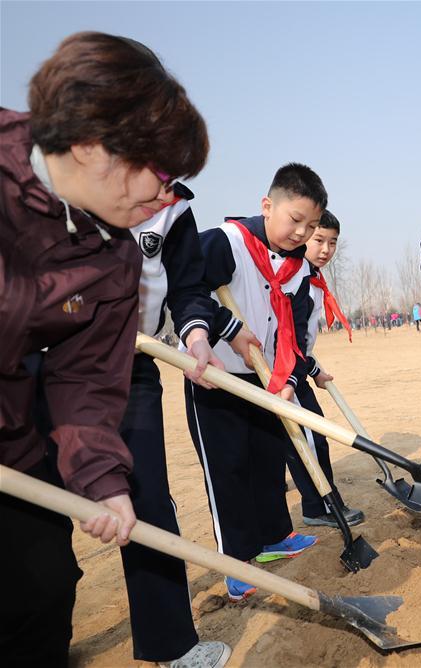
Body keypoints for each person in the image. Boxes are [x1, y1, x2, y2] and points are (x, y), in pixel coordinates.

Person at [0, 32, 211, 666]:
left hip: (12, 443)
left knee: (40, 592)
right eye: (162, 174)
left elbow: (87, 383)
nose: (166, 196)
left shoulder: (116, 258)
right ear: (95, 144)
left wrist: (101, 480)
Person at [185, 163, 326, 602]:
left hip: (266, 379)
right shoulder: (225, 243)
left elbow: (296, 331)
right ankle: (237, 560)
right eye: (294, 220)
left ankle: (274, 537)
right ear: (267, 206)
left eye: (312, 225)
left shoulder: (298, 269)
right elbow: (189, 288)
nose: (301, 232)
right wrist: (211, 329)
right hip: (218, 378)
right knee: (228, 470)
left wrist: (289, 378)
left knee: (267, 462)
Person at [124, 184, 247, 666]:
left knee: (146, 498)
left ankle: (169, 643)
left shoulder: (173, 205)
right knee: (37, 529)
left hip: (134, 363)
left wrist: (196, 333)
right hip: (40, 362)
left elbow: (186, 286)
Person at [284, 209, 364, 529]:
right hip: (281, 372)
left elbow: (301, 339)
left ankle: (317, 504)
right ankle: (320, 506)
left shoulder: (312, 278)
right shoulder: (294, 276)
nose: (325, 250)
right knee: (310, 437)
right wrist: (298, 372)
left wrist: (313, 367)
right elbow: (284, 335)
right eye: (319, 240)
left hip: (296, 367)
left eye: (332, 243)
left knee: (306, 436)